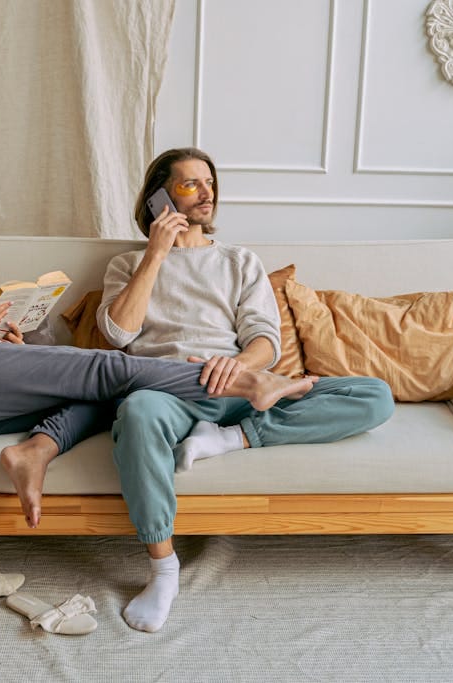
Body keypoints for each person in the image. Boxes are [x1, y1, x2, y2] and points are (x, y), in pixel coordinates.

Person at [0, 163, 317, 529]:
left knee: (108, 395)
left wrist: (16, 333)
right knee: (109, 367)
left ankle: (34, 451)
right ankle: (249, 384)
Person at [96, 148, 395, 633]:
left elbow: (265, 342)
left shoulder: (239, 261)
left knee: (374, 395)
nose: (206, 192)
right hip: (167, 392)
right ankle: (164, 569)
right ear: (158, 199)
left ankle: (229, 438)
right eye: (190, 184)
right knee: (135, 413)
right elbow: (117, 334)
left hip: (239, 389)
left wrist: (235, 367)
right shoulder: (127, 264)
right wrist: (156, 254)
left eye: (209, 182)